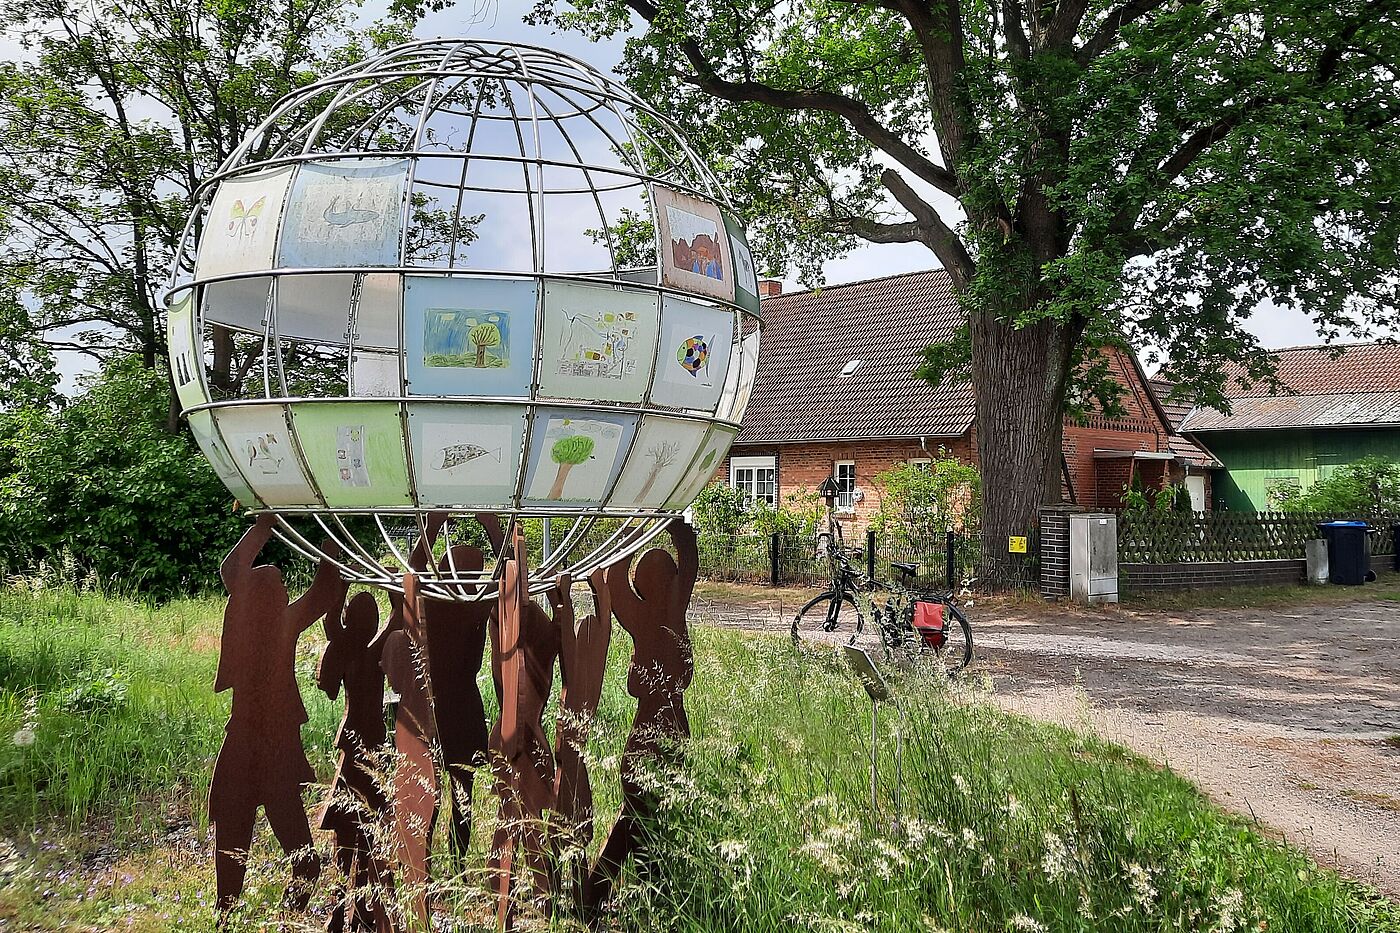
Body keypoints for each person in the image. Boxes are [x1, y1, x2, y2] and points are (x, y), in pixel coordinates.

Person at [209, 514, 347, 918]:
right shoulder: (282, 627)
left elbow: (232, 570)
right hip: (272, 755)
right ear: (269, 598)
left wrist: (266, 523)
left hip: (239, 752)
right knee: (304, 860)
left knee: (231, 862)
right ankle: (284, 922)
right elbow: (323, 591)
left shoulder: (244, 627)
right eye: (281, 587)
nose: (287, 592)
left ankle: (228, 920)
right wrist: (332, 527)